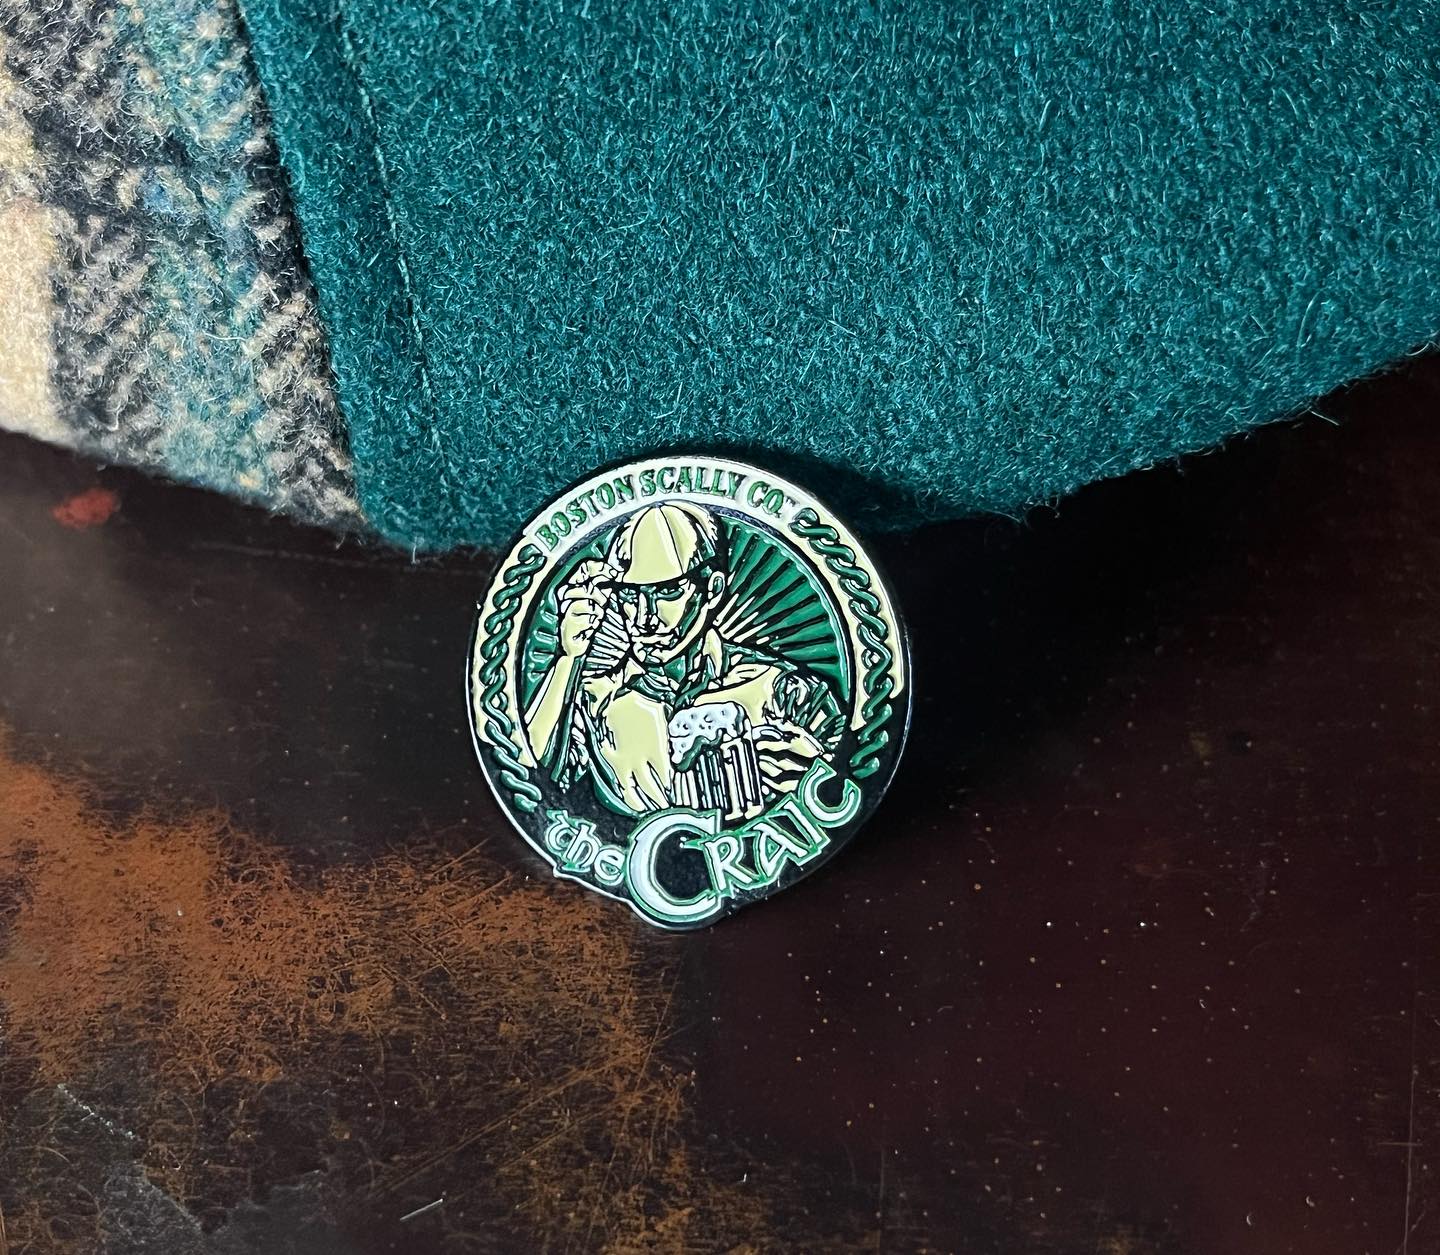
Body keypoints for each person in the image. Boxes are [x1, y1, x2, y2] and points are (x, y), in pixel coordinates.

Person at [524, 502, 842, 816]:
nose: (644, 619)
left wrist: (815, 775)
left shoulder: (782, 690)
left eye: (667, 591)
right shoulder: (598, 703)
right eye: (630, 594)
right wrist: (569, 658)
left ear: (713, 590)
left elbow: (853, 768)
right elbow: (529, 780)